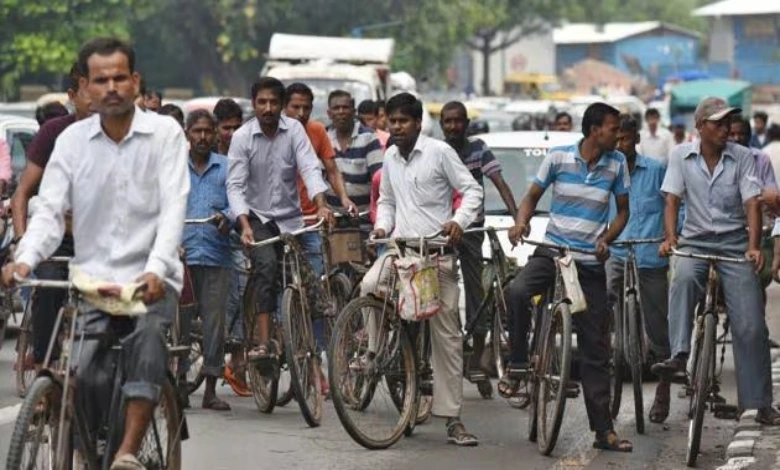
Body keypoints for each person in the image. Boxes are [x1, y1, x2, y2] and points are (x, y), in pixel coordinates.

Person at [2, 37, 190, 469]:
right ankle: (96, 448)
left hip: (149, 281)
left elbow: (173, 207)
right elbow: (48, 211)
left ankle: (127, 452)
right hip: (94, 282)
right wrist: (26, 257)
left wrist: (158, 268)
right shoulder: (70, 143)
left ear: (135, 81)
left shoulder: (164, 134)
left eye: (120, 77)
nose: (111, 87)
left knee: (145, 345)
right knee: (83, 372)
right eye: (100, 80)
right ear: (84, 87)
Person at [501, 102, 633, 452]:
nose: (617, 134)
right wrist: (520, 222)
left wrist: (607, 239)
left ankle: (603, 430)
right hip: (553, 251)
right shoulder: (558, 158)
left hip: (589, 262)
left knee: (596, 348)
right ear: (594, 130)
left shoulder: (617, 163)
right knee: (517, 291)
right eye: (612, 128)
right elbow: (530, 197)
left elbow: (623, 212)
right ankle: (517, 362)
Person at [653, 97, 780, 426]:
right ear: (700, 127)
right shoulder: (681, 154)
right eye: (719, 124)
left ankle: (759, 403)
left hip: (735, 242)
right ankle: (679, 355)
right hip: (694, 238)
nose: (726, 130)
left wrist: (753, 247)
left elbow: (752, 202)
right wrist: (670, 238)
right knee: (681, 279)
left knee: (751, 325)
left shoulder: (743, 157)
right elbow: (672, 200)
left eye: (728, 124)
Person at [366, 92, 483, 446]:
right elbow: (386, 200)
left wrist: (458, 221)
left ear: (418, 123)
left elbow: (472, 190)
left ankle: (453, 419)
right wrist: (383, 227)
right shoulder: (389, 155)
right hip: (400, 250)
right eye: (392, 121)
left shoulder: (440, 152)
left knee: (445, 333)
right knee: (368, 286)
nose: (396, 127)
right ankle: (374, 353)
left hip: (435, 254)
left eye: (403, 121)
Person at [226, 76, 333, 361]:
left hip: (292, 219)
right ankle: (263, 343)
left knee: (307, 276)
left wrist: (321, 204)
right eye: (262, 102)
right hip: (257, 218)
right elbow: (235, 186)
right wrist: (245, 225)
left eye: (274, 102)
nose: (268, 108)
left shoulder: (295, 130)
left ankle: (302, 339)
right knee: (266, 266)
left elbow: (311, 168)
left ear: (282, 105)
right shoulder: (242, 138)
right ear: (254, 105)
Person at [11, 62, 92, 373]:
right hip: (58, 239)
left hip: (102, 242)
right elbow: (22, 195)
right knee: (48, 286)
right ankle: (46, 367)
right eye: (89, 90)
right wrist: (22, 243)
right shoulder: (53, 134)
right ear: (73, 95)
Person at [439, 101, 517, 397]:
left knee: (477, 294)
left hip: (471, 231)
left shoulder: (478, 149)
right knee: (438, 293)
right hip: (441, 232)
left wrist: (517, 219)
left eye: (458, 121)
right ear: (441, 124)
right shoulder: (437, 151)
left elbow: (499, 182)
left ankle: (476, 359)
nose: (453, 127)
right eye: (448, 122)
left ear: (467, 123)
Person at [606, 114, 672, 423]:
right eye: (616, 138)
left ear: (635, 139)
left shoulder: (657, 170)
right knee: (600, 300)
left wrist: (672, 237)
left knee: (657, 323)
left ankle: (663, 386)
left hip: (650, 252)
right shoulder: (605, 170)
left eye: (626, 139)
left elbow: (676, 205)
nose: (620, 144)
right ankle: (604, 359)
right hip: (616, 251)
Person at [180, 109, 232, 411]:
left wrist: (227, 218)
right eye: (196, 131)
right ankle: (179, 384)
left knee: (215, 325)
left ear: (214, 134)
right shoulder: (174, 168)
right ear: (187, 133)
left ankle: (211, 389)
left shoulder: (226, 168)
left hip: (216, 255)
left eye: (206, 132)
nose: (202, 137)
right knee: (179, 324)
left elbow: (238, 202)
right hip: (182, 257)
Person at [213, 96, 250, 395]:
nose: (232, 133)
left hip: (240, 230)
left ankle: (238, 359)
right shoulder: (205, 155)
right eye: (226, 127)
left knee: (241, 291)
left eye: (237, 127)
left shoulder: (245, 153)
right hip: (206, 233)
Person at [326, 90, 383, 213]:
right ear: (329, 113)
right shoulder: (324, 137)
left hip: (363, 217)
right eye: (336, 108)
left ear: (353, 111)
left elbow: (378, 177)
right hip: (332, 218)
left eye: (345, 107)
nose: (341, 112)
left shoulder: (369, 136)